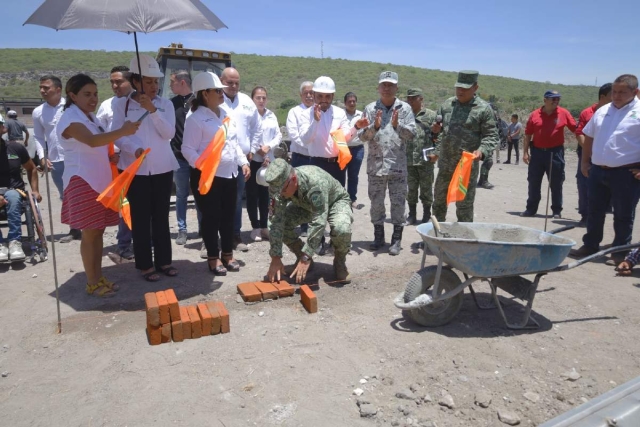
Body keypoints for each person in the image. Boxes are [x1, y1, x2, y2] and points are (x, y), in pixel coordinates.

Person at [55, 74, 140, 296]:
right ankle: (92, 281)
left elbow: (99, 144)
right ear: (72, 95)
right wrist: (124, 130)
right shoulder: (70, 119)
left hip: (100, 181)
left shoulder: (92, 118)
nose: (93, 99)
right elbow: (91, 141)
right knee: (90, 233)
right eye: (86, 94)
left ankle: (97, 276)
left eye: (95, 94)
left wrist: (110, 155)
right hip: (83, 181)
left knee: (98, 231)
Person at [111, 54, 178, 282]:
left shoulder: (165, 104)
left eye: (156, 81)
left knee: (160, 216)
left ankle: (164, 261)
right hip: (135, 169)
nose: (153, 86)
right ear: (136, 81)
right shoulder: (121, 105)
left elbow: (168, 133)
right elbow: (117, 136)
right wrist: (133, 149)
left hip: (161, 167)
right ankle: (145, 265)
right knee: (140, 218)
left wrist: (153, 111)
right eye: (148, 81)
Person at [182, 72, 250, 275]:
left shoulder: (224, 115)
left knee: (228, 216)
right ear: (205, 94)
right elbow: (187, 149)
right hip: (207, 177)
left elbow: (233, 143)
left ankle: (227, 254)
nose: (222, 93)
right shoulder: (196, 119)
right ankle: (213, 257)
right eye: (217, 90)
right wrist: (203, 166)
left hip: (229, 174)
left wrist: (243, 162)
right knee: (211, 218)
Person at [569, 75, 640, 264]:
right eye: (614, 92)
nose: (616, 96)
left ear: (636, 92)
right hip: (597, 170)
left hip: (626, 173)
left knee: (623, 214)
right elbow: (589, 137)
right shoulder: (602, 111)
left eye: (622, 92)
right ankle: (590, 245)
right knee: (594, 210)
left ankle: (620, 252)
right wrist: (585, 162)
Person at [264, 159, 352, 284]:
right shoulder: (280, 187)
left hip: (335, 202)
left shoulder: (315, 183)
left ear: (293, 180)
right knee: (283, 224)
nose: (280, 195)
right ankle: (301, 257)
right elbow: (275, 221)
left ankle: (339, 261)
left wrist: (307, 256)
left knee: (341, 229)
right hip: (306, 205)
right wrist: (275, 257)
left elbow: (319, 222)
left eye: (282, 191)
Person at [360, 71, 416, 255]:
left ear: (396, 88)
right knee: (376, 203)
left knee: (398, 204)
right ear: (378, 87)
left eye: (390, 85)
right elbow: (362, 137)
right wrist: (374, 127)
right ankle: (378, 237)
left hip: (397, 167)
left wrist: (396, 126)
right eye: (383, 84)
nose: (386, 88)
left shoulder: (405, 109)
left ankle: (396, 240)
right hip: (375, 167)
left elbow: (411, 134)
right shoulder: (370, 109)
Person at [430, 70, 498, 223]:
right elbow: (439, 131)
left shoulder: (483, 109)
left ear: (475, 88)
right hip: (446, 164)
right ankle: (435, 236)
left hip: (466, 167)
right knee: (439, 202)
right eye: (458, 87)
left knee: (464, 206)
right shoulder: (447, 105)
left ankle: (463, 240)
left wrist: (482, 151)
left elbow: (491, 136)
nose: (460, 91)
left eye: (465, 88)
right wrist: (435, 130)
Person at [33, 75, 81, 243]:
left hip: (76, 157)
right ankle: (75, 229)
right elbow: (38, 137)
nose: (42, 91)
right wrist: (42, 156)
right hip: (56, 160)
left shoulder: (72, 107)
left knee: (81, 191)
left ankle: (88, 225)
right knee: (65, 195)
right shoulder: (38, 112)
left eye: (46, 87)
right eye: (41, 87)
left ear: (58, 90)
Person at [220, 67, 263, 253]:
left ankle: (234, 236)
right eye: (230, 82)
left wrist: (252, 149)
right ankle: (210, 238)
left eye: (237, 82)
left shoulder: (246, 101)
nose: (234, 86)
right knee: (214, 201)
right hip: (218, 160)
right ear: (221, 81)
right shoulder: (215, 100)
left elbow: (256, 128)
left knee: (236, 200)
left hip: (242, 162)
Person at [96, 65, 135, 261]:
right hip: (117, 163)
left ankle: (146, 240)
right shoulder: (106, 106)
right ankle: (124, 244)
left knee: (143, 205)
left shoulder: (141, 103)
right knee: (124, 204)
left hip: (140, 162)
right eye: (112, 82)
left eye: (119, 81)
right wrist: (111, 154)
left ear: (131, 81)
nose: (114, 85)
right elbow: (100, 133)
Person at [520, 90, 577, 219]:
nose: (556, 101)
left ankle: (556, 211)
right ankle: (531, 209)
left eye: (558, 99)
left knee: (556, 183)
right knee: (533, 182)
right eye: (553, 99)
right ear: (545, 100)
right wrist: (525, 153)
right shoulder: (534, 115)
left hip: (555, 153)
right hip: (537, 153)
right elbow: (528, 134)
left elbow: (576, 129)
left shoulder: (564, 113)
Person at [299, 76, 360, 186]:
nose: (324, 99)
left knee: (337, 200)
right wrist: (315, 122)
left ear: (333, 96)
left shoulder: (340, 113)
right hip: (316, 164)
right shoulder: (305, 114)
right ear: (314, 95)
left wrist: (355, 127)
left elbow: (345, 138)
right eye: (320, 96)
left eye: (328, 96)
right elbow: (305, 139)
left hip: (337, 165)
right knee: (318, 200)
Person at [0, 114, 42, 262]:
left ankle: (14, 242)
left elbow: (32, 169)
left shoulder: (15, 148)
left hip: (14, 190)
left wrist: (35, 190)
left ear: (3, 129)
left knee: (12, 197)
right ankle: (0, 244)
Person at [574, 83, 612, 226]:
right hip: (587, 154)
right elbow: (579, 134)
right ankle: (585, 216)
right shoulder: (587, 113)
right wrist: (590, 152)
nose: (616, 98)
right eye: (612, 95)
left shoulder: (619, 113)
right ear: (602, 97)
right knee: (584, 184)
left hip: (608, 156)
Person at [247, 86, 281, 242]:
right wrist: (260, 151)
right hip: (254, 160)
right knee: (253, 195)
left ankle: (264, 226)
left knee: (266, 195)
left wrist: (268, 149)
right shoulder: (249, 115)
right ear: (252, 99)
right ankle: (255, 227)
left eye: (264, 98)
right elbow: (248, 135)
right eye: (258, 97)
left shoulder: (271, 115)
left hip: (269, 161)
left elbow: (278, 135)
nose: (261, 100)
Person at [169, 70, 196, 247]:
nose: (170, 85)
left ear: (182, 82)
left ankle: (205, 227)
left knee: (201, 194)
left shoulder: (199, 103)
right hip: (179, 158)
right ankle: (182, 229)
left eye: (173, 82)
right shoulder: (171, 104)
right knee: (181, 194)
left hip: (197, 158)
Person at [286, 81, 314, 237]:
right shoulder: (294, 112)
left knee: (315, 190)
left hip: (317, 158)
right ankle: (303, 225)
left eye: (311, 92)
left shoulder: (320, 111)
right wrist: (310, 146)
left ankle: (316, 223)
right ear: (301, 95)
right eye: (306, 93)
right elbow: (294, 135)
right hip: (301, 157)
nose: (309, 95)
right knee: (301, 191)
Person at [405, 88, 437, 225]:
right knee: (411, 190)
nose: (411, 101)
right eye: (409, 98)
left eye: (414, 98)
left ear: (421, 98)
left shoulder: (431, 115)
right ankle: (412, 215)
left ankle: (426, 215)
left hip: (426, 160)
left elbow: (440, 136)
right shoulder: (404, 115)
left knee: (426, 190)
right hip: (408, 159)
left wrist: (437, 153)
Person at [477, 106, 507, 189]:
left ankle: (483, 180)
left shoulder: (494, 118)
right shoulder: (481, 113)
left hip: (486, 142)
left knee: (488, 160)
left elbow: (496, 129)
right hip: (476, 140)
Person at [344, 92, 364, 208]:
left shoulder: (361, 115)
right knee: (340, 175)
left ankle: (352, 199)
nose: (352, 103)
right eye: (349, 101)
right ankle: (340, 199)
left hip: (357, 149)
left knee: (353, 175)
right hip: (343, 149)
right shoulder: (340, 115)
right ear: (345, 103)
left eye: (353, 101)